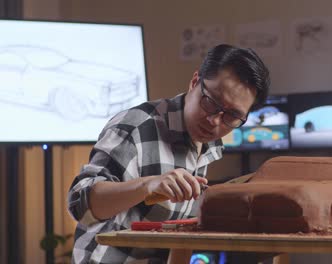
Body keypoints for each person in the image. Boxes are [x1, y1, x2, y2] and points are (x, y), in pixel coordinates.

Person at [67, 44, 270, 263]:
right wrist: (148, 185)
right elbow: (81, 206)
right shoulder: (136, 126)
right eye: (211, 102)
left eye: (232, 115)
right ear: (194, 82)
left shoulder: (210, 144)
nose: (215, 121)